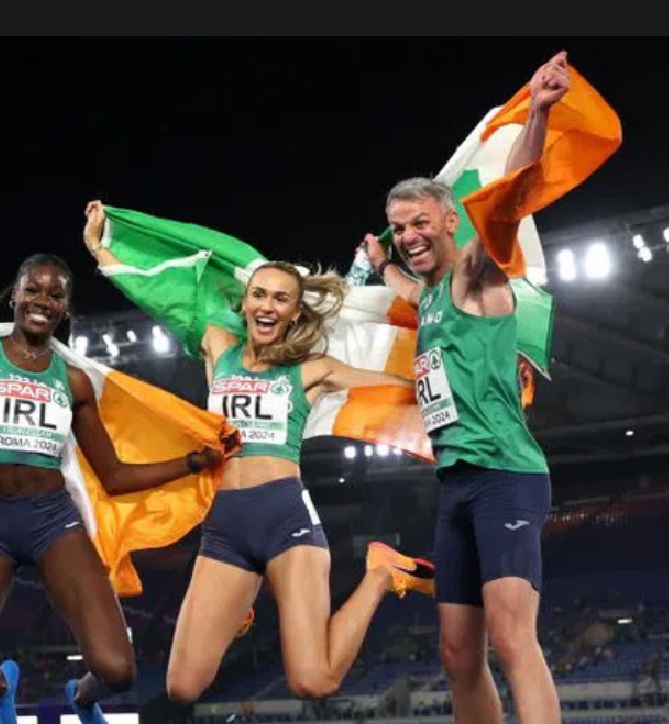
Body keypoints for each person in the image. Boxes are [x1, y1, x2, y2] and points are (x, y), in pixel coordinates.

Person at [81, 202, 436, 703]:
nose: (268, 306)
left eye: (281, 299)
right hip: (226, 528)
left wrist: (462, 377)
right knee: (182, 687)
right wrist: (103, 249)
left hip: (286, 521)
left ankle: (380, 575)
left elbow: (401, 386)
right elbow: (163, 296)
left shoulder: (313, 369)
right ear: (244, 303)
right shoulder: (215, 344)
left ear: (295, 311)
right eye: (260, 296)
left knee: (312, 681)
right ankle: (242, 598)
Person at [0, 253, 235, 724]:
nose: (42, 300)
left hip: (52, 522)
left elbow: (116, 476)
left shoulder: (75, 381)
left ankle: (82, 698)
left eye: (55, 294)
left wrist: (191, 462)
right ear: (16, 295)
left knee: (118, 671)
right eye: (33, 289)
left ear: (65, 308)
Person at [360, 52, 571, 724]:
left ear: (453, 222)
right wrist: (376, 264)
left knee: (513, 640)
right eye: (399, 228)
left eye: (420, 222)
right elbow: (403, 285)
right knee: (457, 654)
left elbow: (513, 191)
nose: (408, 236)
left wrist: (537, 113)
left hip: (505, 475)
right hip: (455, 487)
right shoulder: (427, 298)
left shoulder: (477, 276)